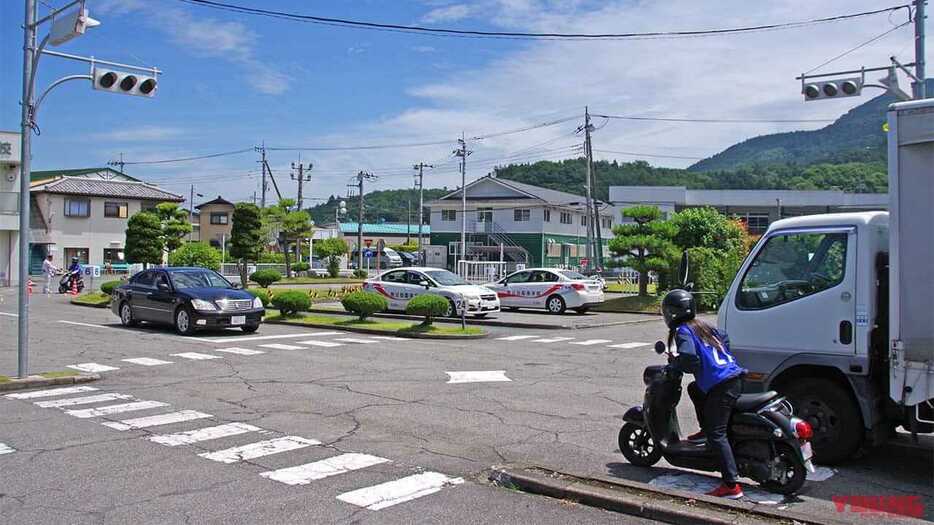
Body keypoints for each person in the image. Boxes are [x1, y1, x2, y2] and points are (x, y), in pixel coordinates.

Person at [662, 289, 746, 499]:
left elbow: (689, 359)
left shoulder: (683, 330)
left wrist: (675, 366)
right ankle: (704, 429)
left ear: (671, 313)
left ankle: (731, 485)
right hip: (734, 378)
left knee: (717, 434)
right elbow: (725, 339)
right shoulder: (704, 325)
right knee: (694, 389)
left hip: (721, 386)